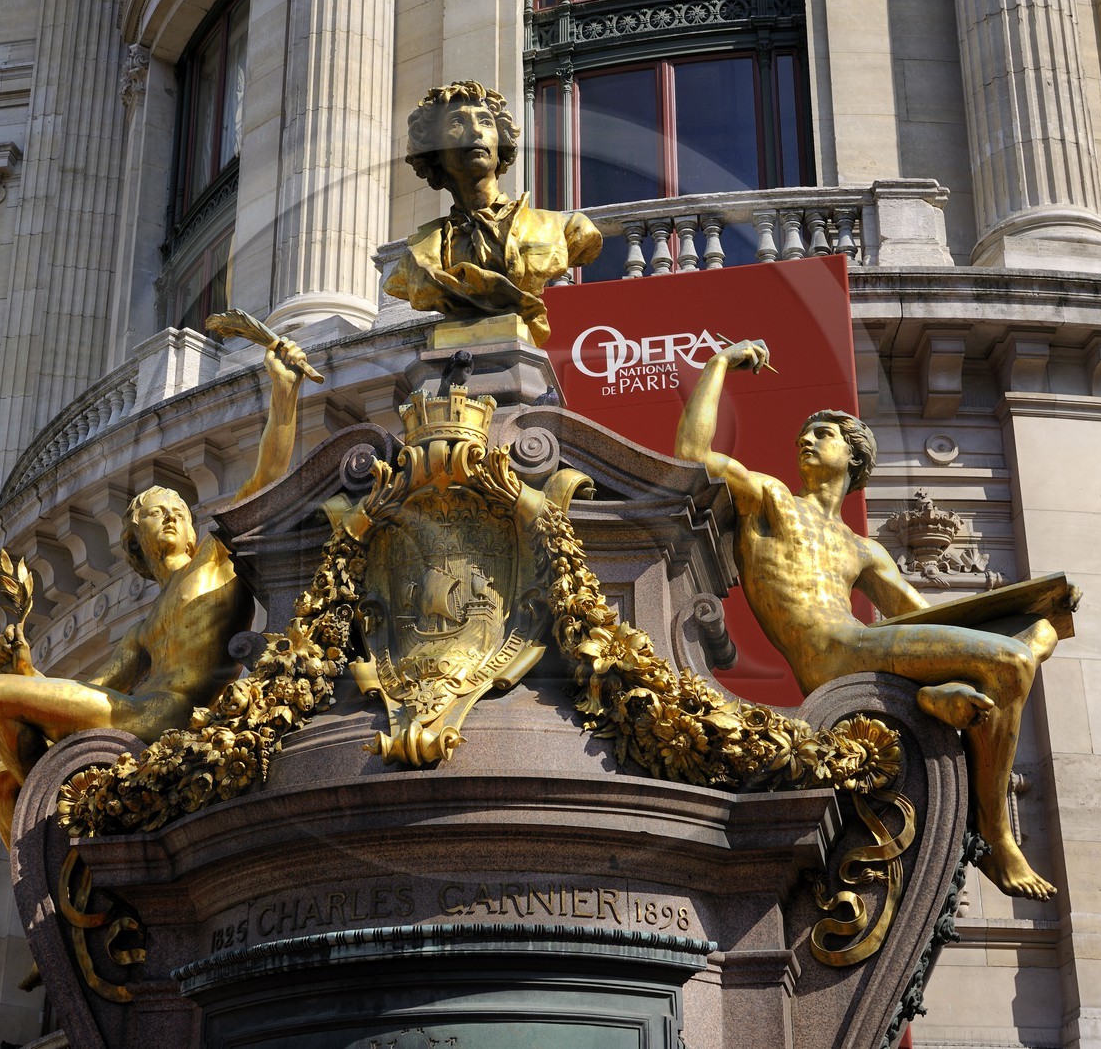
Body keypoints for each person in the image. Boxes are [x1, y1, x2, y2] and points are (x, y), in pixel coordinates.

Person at [675, 340, 1059, 900]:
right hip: (827, 651)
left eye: (823, 434)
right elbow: (691, 454)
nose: (805, 439)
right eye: (805, 434)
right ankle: (997, 835)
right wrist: (719, 365)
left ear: (854, 459)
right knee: (1013, 658)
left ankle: (937, 697)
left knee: (1016, 650)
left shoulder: (863, 550)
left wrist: (1031, 612)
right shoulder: (772, 501)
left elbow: (938, 620)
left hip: (862, 643)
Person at [0, 337, 314, 845]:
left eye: (178, 508)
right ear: (135, 542)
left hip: (176, 714)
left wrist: (283, 394)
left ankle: (57, 827)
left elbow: (265, 477)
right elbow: (91, 691)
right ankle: (52, 866)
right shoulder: (142, 628)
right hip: (138, 713)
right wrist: (25, 667)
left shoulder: (216, 558)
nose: (175, 514)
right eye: (158, 511)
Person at [383, 80, 601, 346]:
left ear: (502, 145)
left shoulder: (564, 227)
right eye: (456, 123)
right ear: (434, 153)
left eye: (486, 122)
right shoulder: (418, 257)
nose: (475, 131)